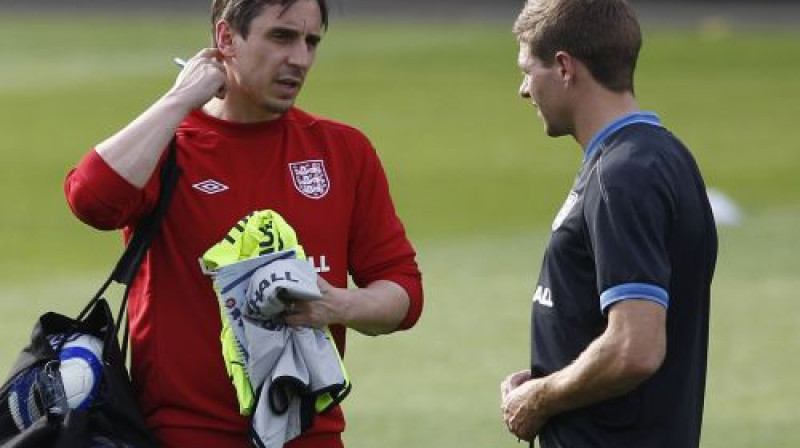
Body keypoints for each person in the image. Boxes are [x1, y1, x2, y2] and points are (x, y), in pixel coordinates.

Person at [64, 1, 424, 447]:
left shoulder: (342, 151)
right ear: (226, 40)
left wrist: (334, 305)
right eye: (281, 37)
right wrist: (179, 98)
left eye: (311, 42)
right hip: (183, 437)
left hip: (308, 437)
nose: (300, 58)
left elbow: (404, 293)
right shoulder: (172, 146)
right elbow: (89, 199)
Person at [500, 0, 717, 447]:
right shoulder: (662, 156)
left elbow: (634, 347)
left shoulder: (623, 177)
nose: (523, 90)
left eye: (528, 70)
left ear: (563, 67)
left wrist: (540, 397)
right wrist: (559, 373)